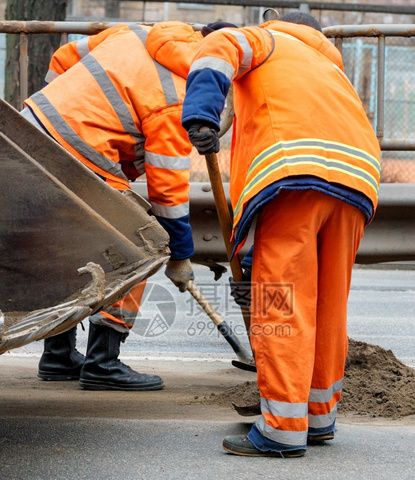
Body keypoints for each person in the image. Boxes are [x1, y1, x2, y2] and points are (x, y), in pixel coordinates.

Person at [182, 13, 381, 457]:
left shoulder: (265, 39)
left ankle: (282, 428)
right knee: (328, 305)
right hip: (357, 182)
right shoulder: (327, 66)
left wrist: (201, 114)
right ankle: (317, 417)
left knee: (281, 300)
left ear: (276, 21)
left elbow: (217, 51)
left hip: (294, 172)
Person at [21, 21, 202, 390]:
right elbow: (167, 194)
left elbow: (63, 56)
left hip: (29, 131)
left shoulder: (135, 33)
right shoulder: (178, 98)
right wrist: (180, 255)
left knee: (68, 247)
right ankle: (103, 362)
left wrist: (59, 109)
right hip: (80, 154)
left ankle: (57, 355)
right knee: (138, 243)